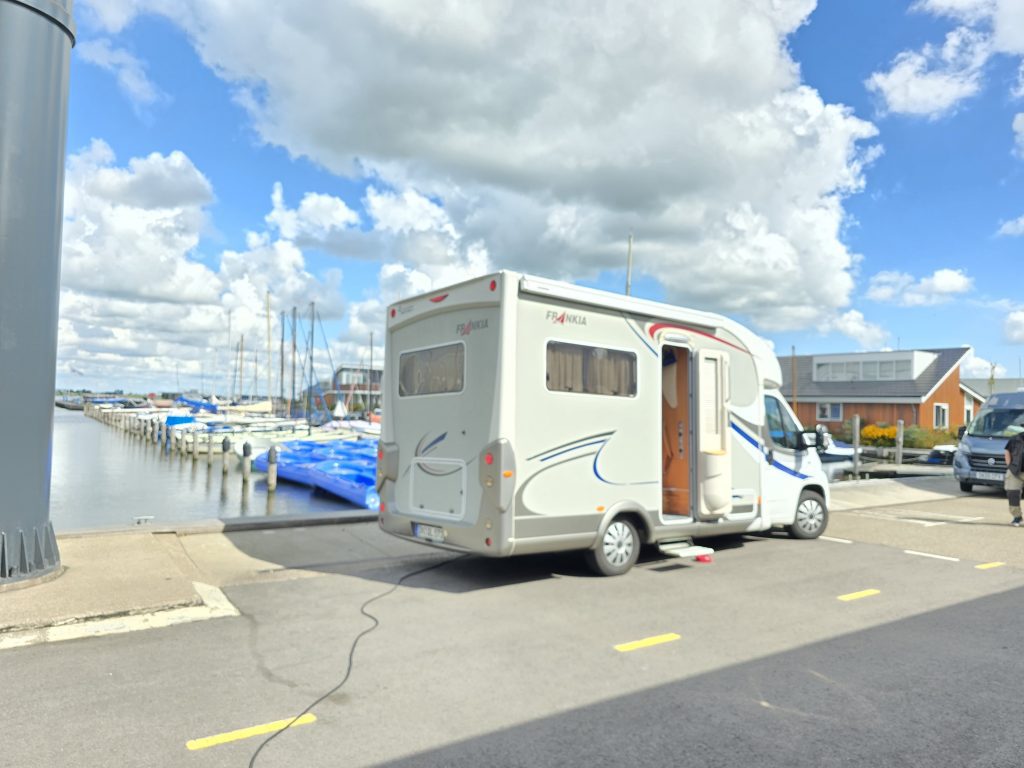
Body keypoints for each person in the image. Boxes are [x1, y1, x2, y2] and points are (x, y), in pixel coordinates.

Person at [1004, 425, 1024, 526]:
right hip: (1015, 471)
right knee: (1012, 493)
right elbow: (1007, 451)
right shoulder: (1015, 439)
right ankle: (1017, 517)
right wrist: (1009, 465)